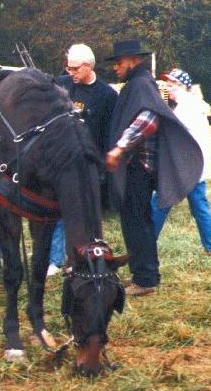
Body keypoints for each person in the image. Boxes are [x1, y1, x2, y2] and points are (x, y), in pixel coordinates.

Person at [105, 40, 203, 296]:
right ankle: (145, 276)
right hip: (138, 167)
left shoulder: (141, 84)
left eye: (118, 62)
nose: (115, 68)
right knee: (139, 221)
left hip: (139, 168)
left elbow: (148, 120)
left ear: (132, 60)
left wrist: (119, 148)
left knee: (136, 222)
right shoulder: (137, 84)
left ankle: (145, 280)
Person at [47, 44, 118, 276]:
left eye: (75, 69)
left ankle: (77, 258)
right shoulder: (62, 85)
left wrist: (104, 168)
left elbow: (110, 133)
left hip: (88, 165)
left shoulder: (106, 95)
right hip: (61, 160)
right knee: (56, 211)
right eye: (68, 68)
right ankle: (54, 260)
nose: (71, 73)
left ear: (88, 66)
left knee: (84, 215)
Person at [151, 69, 211, 254]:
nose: (169, 89)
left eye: (172, 85)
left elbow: (171, 133)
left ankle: (147, 242)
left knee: (161, 201)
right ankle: (210, 244)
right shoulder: (191, 104)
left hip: (186, 166)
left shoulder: (186, 107)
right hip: (192, 165)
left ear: (183, 86)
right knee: (199, 205)